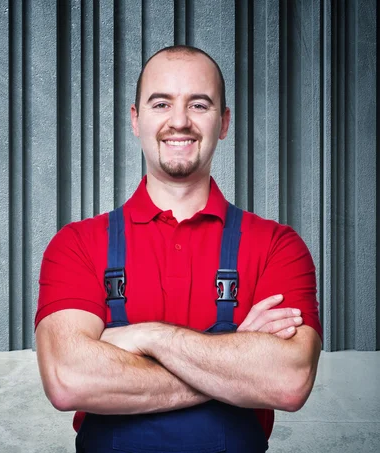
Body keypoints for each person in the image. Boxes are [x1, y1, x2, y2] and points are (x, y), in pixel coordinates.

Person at [35, 45, 322, 452]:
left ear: (223, 123)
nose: (179, 121)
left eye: (199, 104)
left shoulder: (278, 246)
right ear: (136, 119)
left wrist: (146, 337)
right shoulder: (78, 245)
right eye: (161, 103)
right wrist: (235, 360)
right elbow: (67, 380)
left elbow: (289, 381)